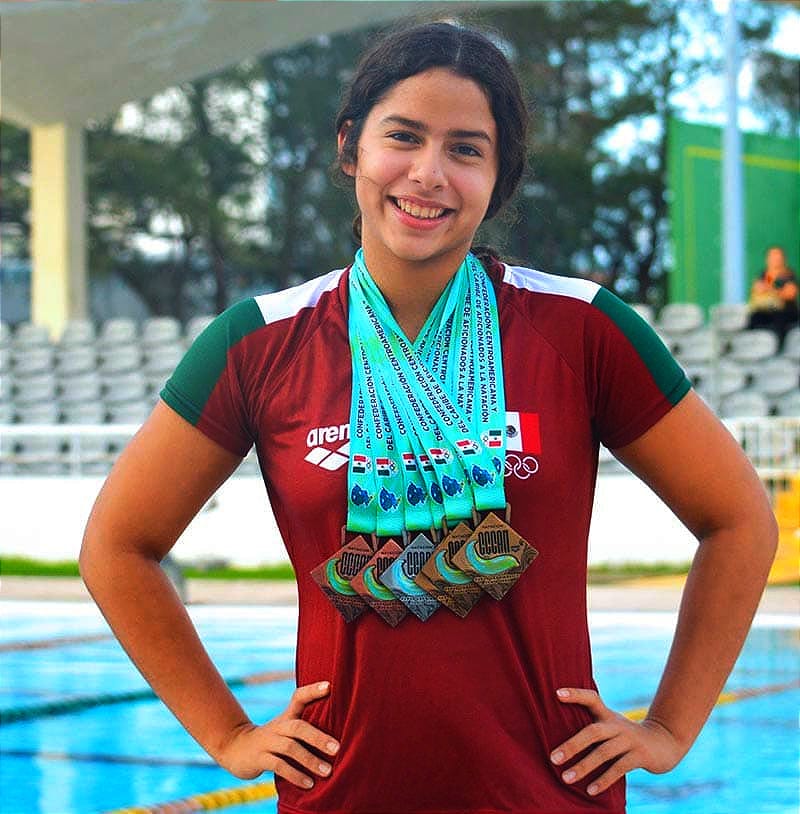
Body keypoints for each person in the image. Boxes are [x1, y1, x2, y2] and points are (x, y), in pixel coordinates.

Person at [80, 21, 777, 814]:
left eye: (466, 149)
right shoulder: (260, 342)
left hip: (550, 796)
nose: (428, 174)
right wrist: (229, 734)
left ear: (499, 177)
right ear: (351, 147)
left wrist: (670, 728)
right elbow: (116, 546)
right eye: (403, 137)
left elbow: (739, 521)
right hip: (342, 795)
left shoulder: (582, 328)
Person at [747, 246, 799, 347]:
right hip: (767, 311)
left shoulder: (788, 274)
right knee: (754, 318)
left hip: (786, 312)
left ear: (783, 259)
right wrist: (769, 290)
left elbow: (790, 293)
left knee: (780, 320)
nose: (775, 260)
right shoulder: (765, 275)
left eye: (778, 257)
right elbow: (758, 288)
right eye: (772, 257)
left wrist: (770, 290)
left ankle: (778, 347)